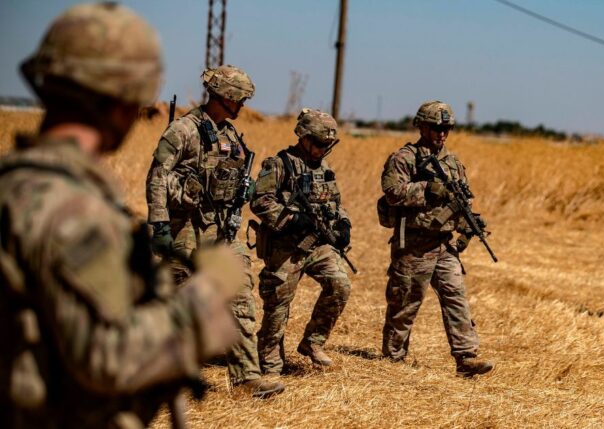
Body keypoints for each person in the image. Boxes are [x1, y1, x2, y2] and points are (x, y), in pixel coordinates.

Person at [0, 3, 248, 427]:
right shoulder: (69, 210)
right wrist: (206, 297)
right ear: (125, 98)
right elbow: (107, 358)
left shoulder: (16, 184)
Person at [145, 65, 282, 397]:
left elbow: (230, 178)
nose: (244, 105)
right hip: (184, 231)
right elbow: (157, 177)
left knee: (240, 299)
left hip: (220, 232)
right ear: (225, 96)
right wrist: (160, 224)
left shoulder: (230, 135)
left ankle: (247, 381)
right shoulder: (184, 130)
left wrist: (244, 190)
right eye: (240, 98)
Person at [379, 100, 494, 377]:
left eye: (447, 128)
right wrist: (427, 189)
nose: (441, 133)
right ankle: (393, 360)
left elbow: (461, 200)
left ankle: (466, 358)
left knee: (456, 298)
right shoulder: (405, 158)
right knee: (406, 303)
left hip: (443, 244)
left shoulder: (453, 163)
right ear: (421, 126)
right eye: (435, 128)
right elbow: (392, 191)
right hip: (414, 245)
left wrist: (467, 229)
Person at [249, 108, 352, 373]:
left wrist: (343, 224)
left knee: (340, 284)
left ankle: (313, 342)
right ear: (304, 137)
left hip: (317, 246)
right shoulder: (279, 164)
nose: (323, 150)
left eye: (329, 145)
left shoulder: (324, 168)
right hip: (286, 247)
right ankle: (270, 361)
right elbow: (260, 200)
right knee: (278, 305)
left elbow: (335, 203)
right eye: (319, 144)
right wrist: (292, 220)